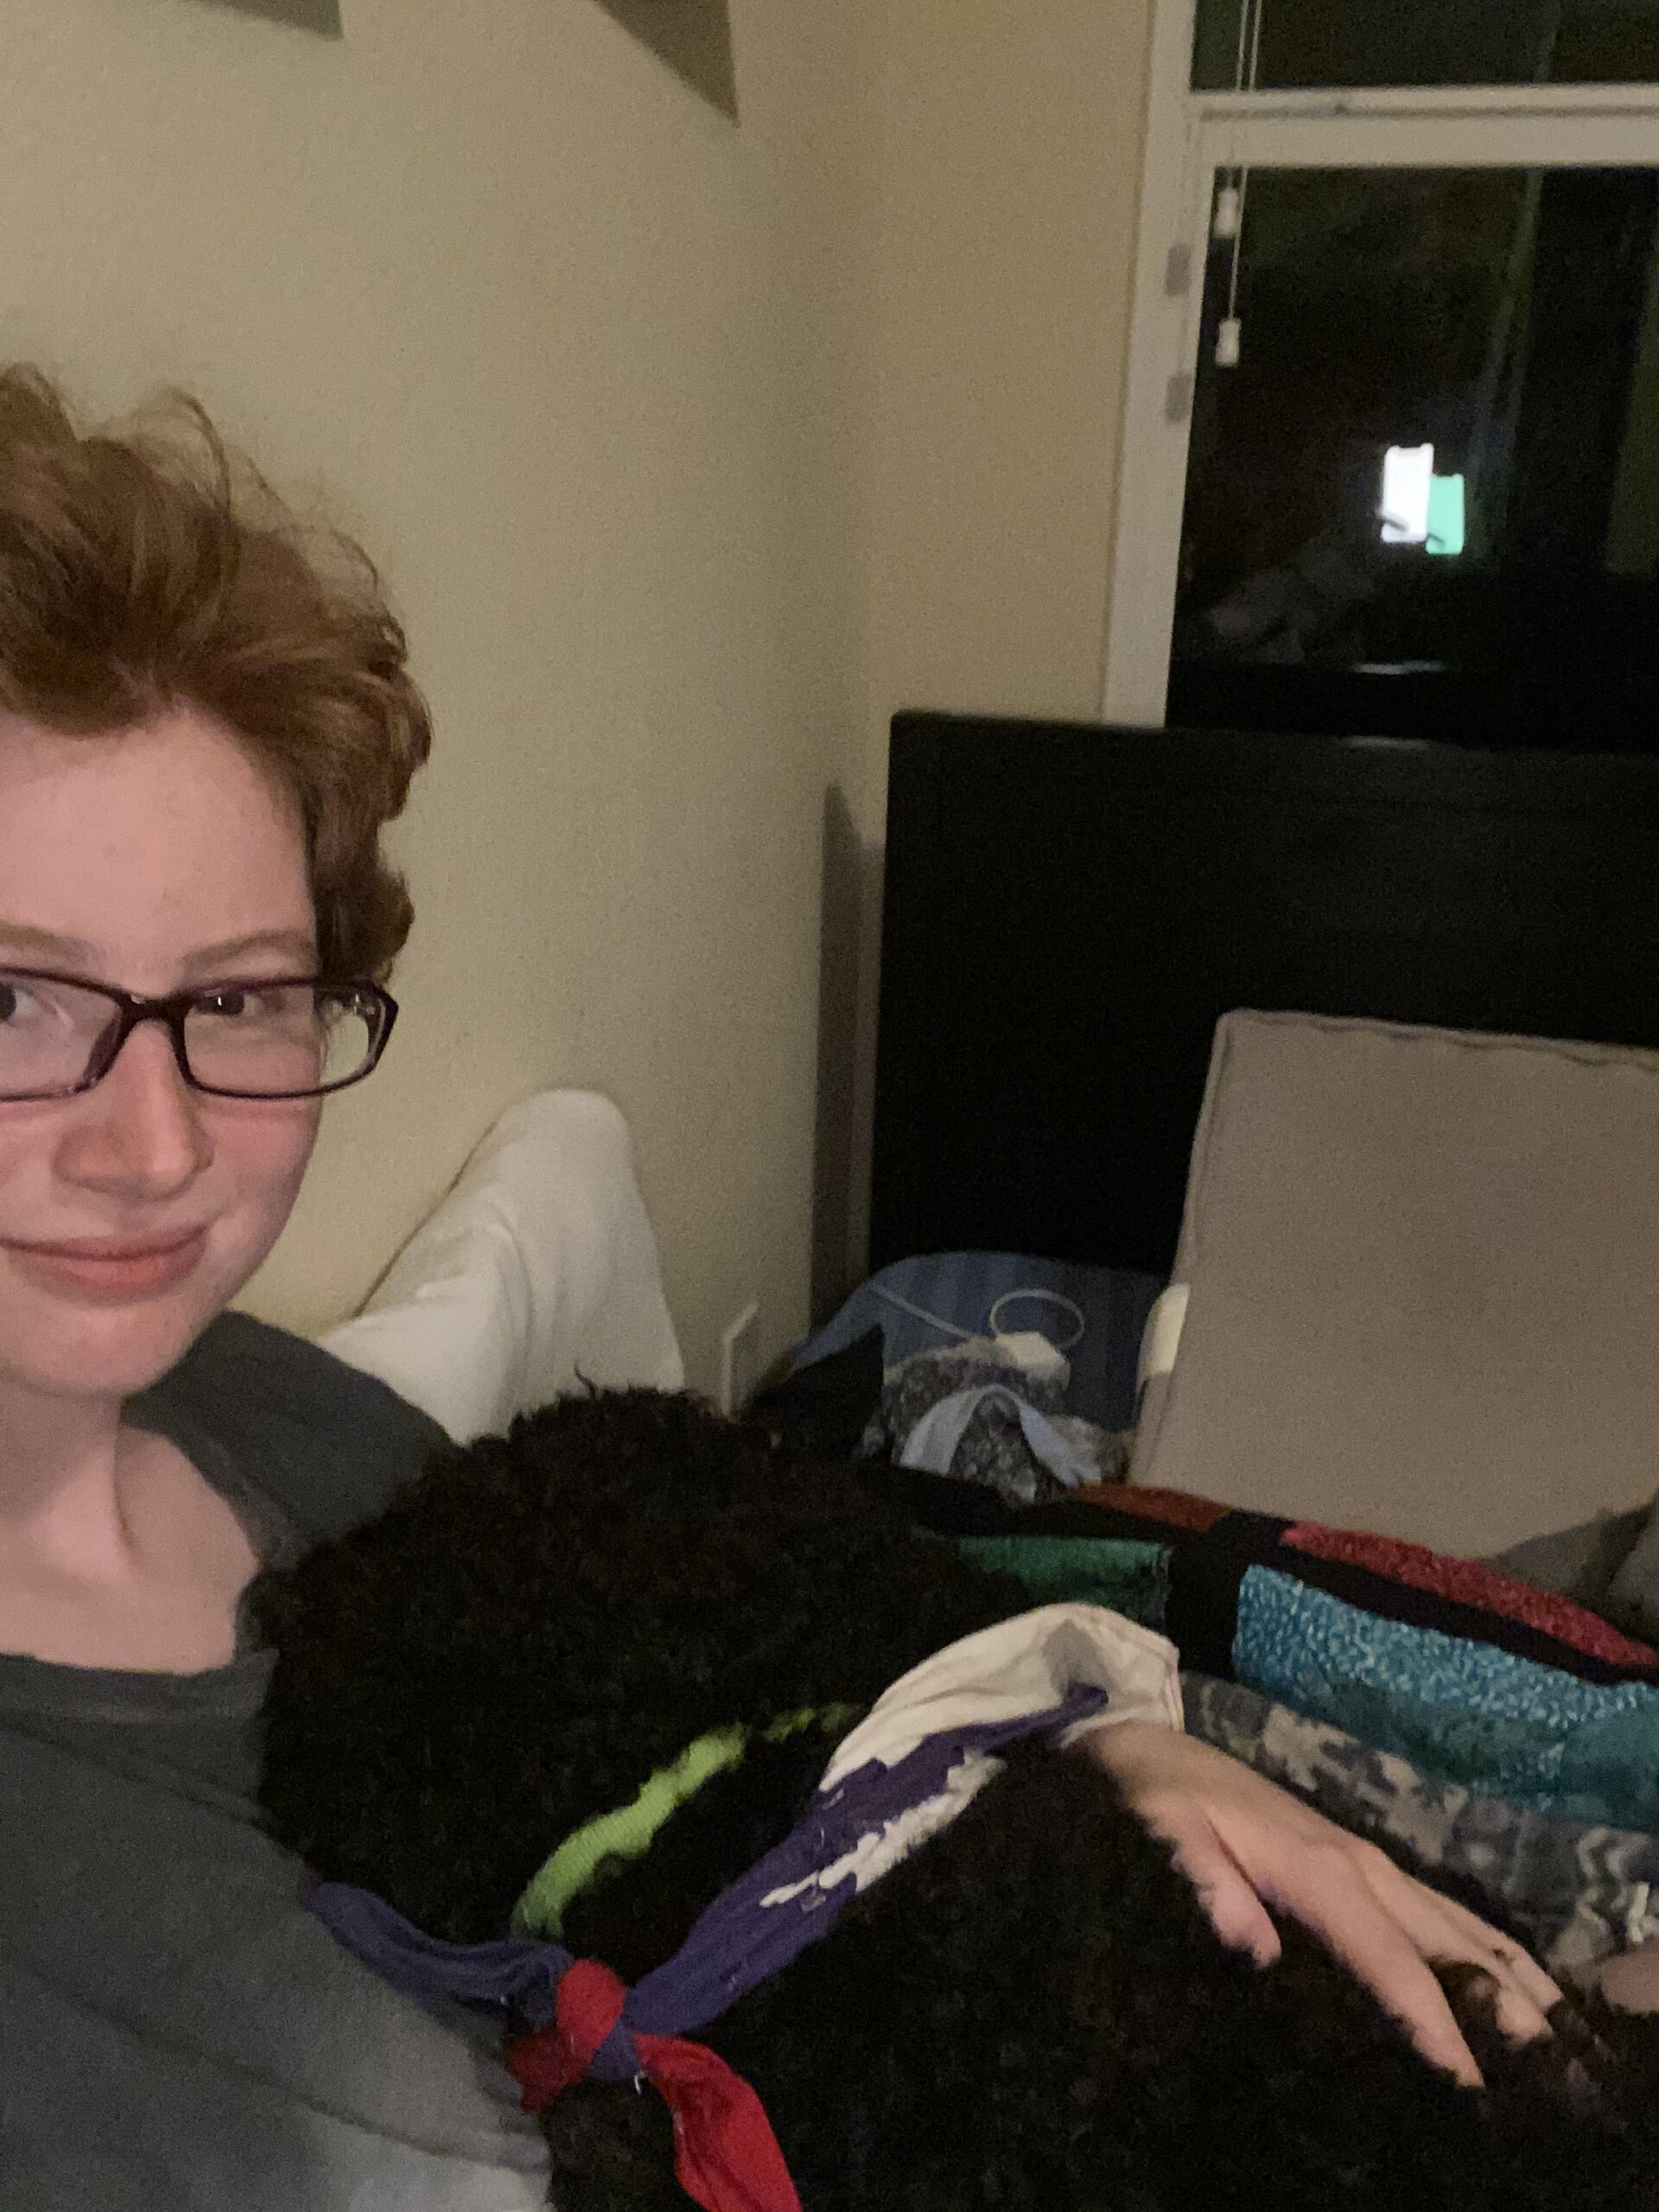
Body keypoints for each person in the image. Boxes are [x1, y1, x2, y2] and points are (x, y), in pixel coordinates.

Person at [0, 369, 1559, 2210]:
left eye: (242, 995)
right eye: (11, 998)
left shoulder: (279, 1414)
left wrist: (1086, 1738)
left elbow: (748, 1640)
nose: (155, 1142)